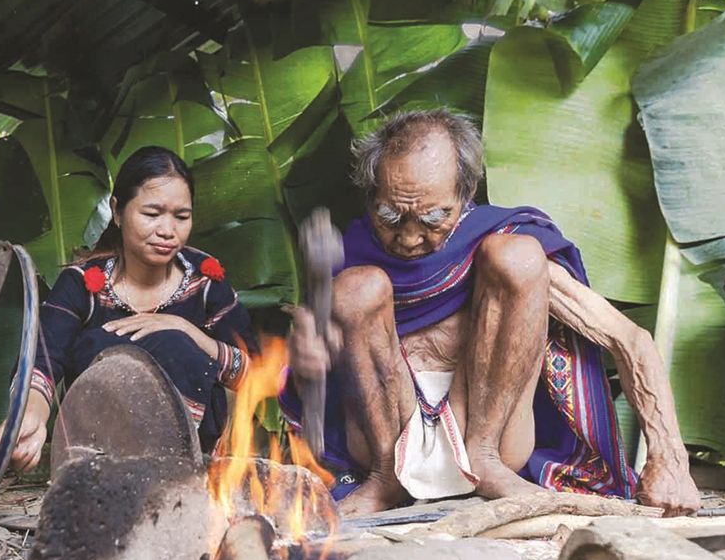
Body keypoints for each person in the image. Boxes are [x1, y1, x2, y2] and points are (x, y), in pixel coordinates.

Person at [283, 109, 701, 517]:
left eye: (433, 217)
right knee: (358, 288)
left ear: (465, 196)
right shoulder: (351, 257)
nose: (409, 237)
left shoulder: (497, 237)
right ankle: (384, 479)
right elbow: (313, 389)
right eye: (391, 215)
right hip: (386, 439)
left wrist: (671, 461)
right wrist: (308, 367)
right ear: (371, 194)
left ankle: (485, 463)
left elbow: (629, 340)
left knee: (517, 258)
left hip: (493, 437)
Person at [8, 146, 254, 471]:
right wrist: (32, 418)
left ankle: (177, 470)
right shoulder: (82, 284)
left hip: (195, 464)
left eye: (182, 217)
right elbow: (43, 360)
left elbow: (256, 374)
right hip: (101, 460)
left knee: (177, 344)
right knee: (98, 345)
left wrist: (188, 332)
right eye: (152, 214)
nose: (168, 230)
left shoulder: (206, 280)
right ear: (117, 210)